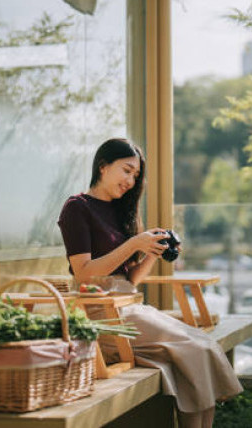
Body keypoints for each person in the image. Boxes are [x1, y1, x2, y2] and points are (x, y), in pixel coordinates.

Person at [57, 138, 242, 427]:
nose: (131, 181)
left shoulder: (122, 211)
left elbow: (130, 279)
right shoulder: (77, 207)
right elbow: (83, 273)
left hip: (130, 305)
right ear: (103, 166)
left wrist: (154, 253)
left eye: (135, 175)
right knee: (194, 350)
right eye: (126, 170)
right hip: (102, 314)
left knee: (201, 345)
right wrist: (134, 244)